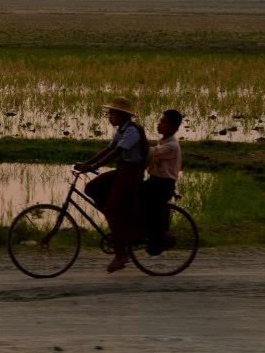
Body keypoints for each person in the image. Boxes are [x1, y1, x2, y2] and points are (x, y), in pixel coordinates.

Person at [74, 97, 148, 273]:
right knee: (92, 188)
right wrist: (86, 163)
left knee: (112, 208)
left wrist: (91, 167)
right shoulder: (121, 130)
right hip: (123, 171)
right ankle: (115, 218)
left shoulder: (132, 131)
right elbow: (108, 149)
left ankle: (121, 253)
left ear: (121, 115)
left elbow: (116, 153)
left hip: (131, 174)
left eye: (112, 113)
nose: (109, 116)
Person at [142, 109, 184, 256]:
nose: (159, 124)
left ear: (173, 128)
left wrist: (137, 142)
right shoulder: (164, 142)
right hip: (156, 181)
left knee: (151, 210)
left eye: (163, 122)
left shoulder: (172, 146)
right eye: (160, 121)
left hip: (162, 184)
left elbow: (151, 152)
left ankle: (162, 237)